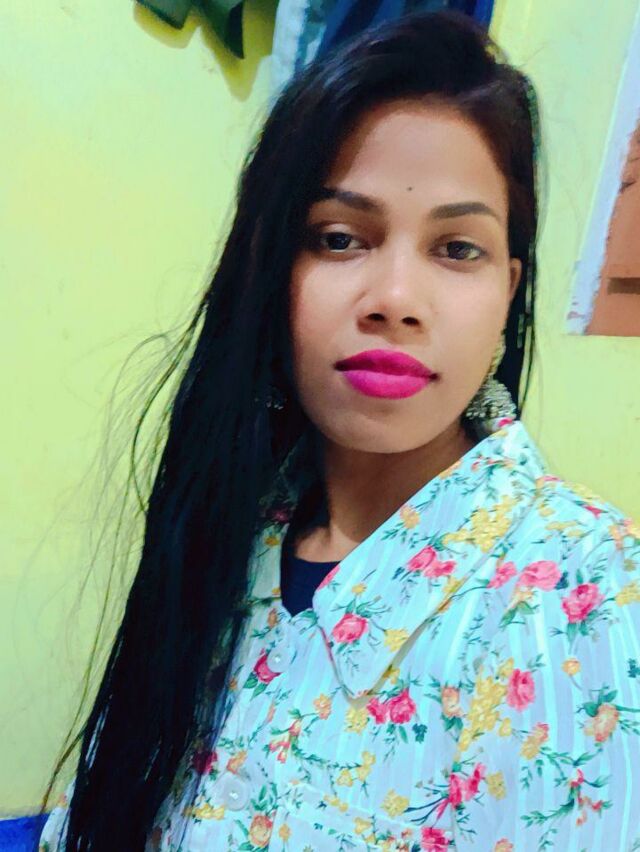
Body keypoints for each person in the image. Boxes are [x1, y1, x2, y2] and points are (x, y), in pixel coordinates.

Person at [38, 9, 640, 851]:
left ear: (509, 291)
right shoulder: (228, 522)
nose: (394, 298)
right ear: (270, 273)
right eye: (339, 238)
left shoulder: (589, 596)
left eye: (457, 249)